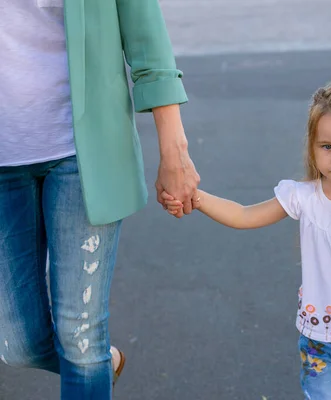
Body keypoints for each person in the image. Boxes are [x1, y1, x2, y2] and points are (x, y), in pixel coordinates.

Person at [162, 79, 331, 399]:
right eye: (327, 146)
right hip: (319, 343)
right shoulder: (303, 197)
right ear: (312, 145)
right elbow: (245, 215)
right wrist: (196, 197)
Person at [0, 1, 199, 399]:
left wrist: (174, 151)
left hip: (84, 156)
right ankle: (100, 362)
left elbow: (148, 41)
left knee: (80, 336)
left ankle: (91, 360)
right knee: (18, 346)